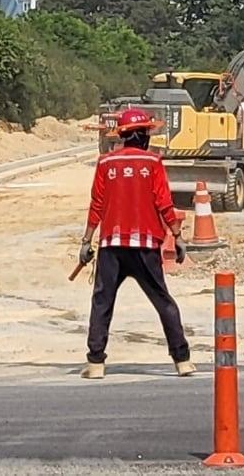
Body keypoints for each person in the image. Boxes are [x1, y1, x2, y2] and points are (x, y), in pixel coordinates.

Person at [76, 107, 194, 380]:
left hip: (112, 246)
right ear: (141, 135)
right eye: (147, 132)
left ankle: (95, 363)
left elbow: (97, 204)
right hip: (145, 245)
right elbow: (164, 203)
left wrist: (86, 241)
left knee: (102, 302)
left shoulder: (105, 163)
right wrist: (177, 236)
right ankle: (182, 360)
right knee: (163, 301)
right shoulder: (153, 162)